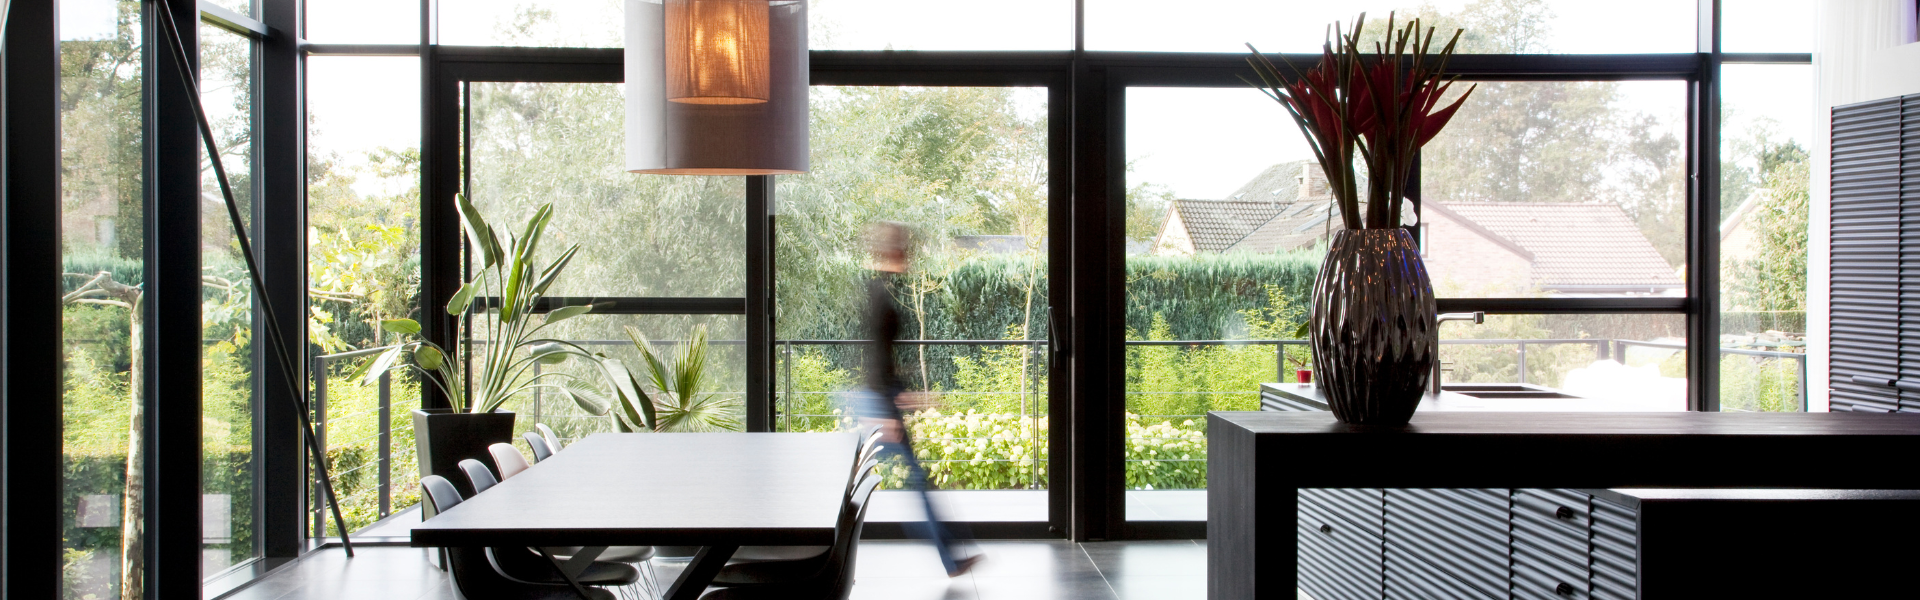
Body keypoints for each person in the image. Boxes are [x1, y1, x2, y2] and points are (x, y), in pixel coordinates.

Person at [859, 222, 984, 577]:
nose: (908, 256)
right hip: (879, 401)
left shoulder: (883, 289)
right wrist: (886, 409)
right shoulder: (881, 293)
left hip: (883, 397)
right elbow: (876, 355)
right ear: (893, 252)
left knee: (918, 483)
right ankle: (951, 559)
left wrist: (904, 392)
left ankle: (952, 559)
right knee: (916, 482)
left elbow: (883, 355)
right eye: (904, 249)